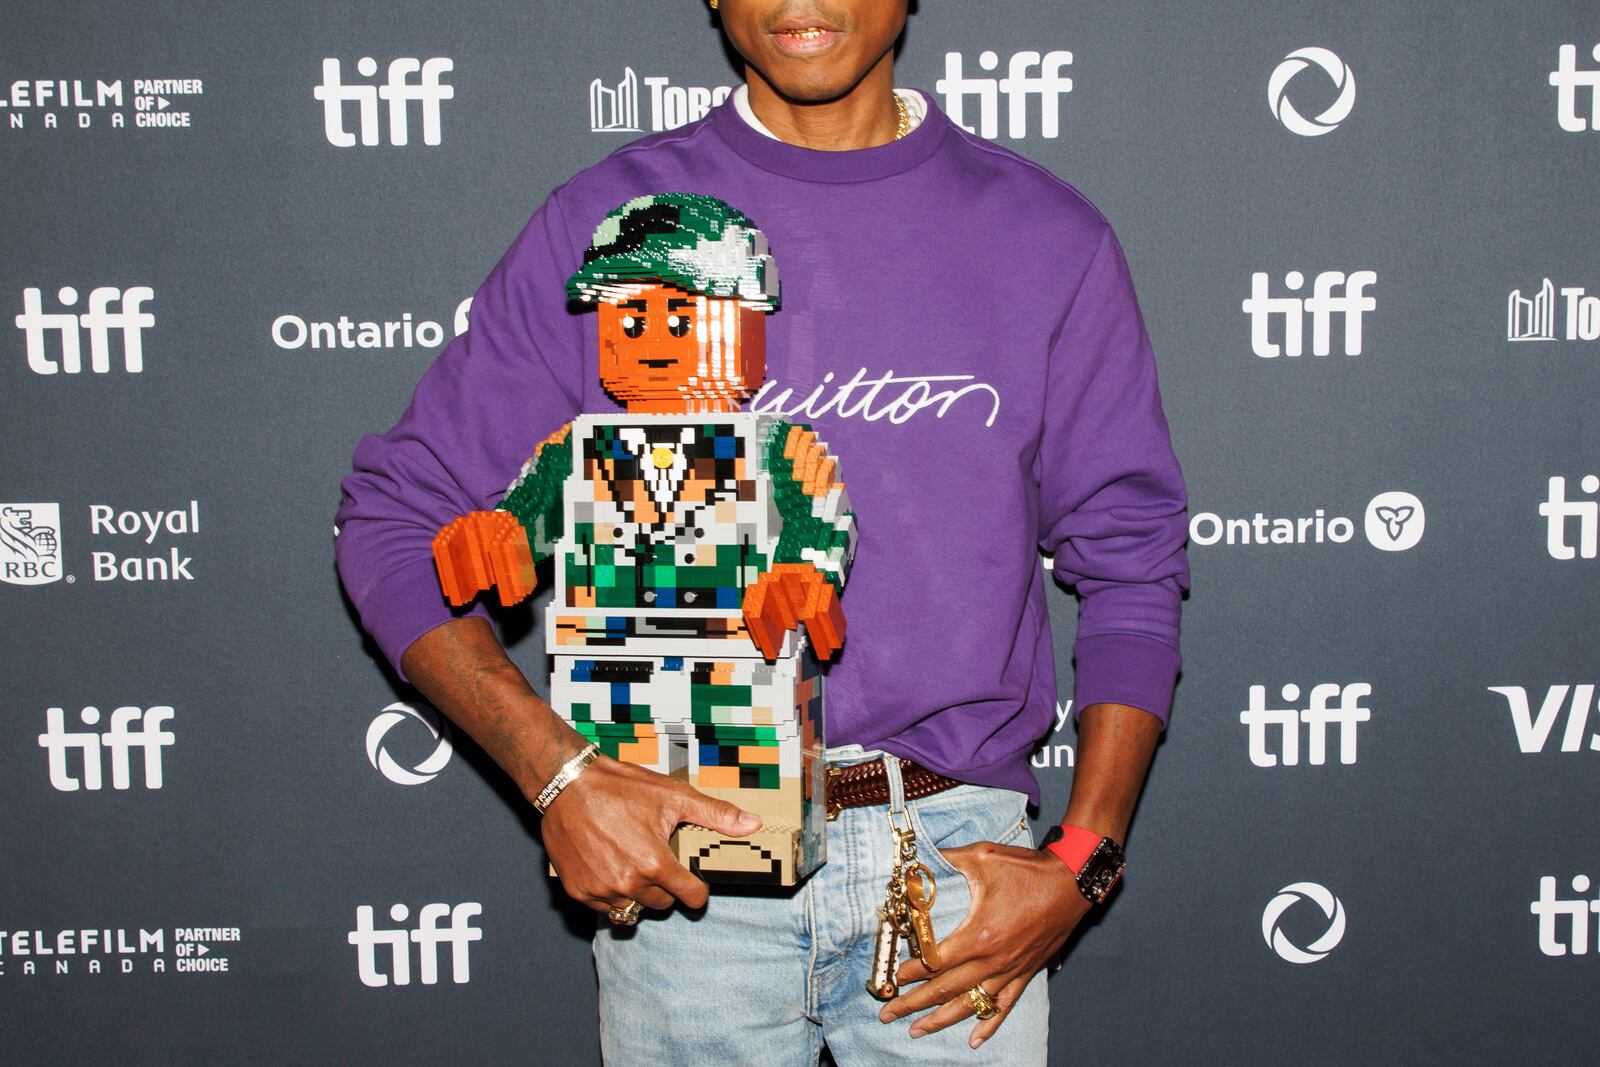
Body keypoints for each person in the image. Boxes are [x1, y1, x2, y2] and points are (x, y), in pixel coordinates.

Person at [335, 1, 1189, 1062]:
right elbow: (392, 516)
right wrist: (558, 771)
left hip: (959, 865)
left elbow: (1134, 559)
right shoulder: (613, 224)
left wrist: (1082, 855)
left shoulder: (1045, 236)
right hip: (686, 855)